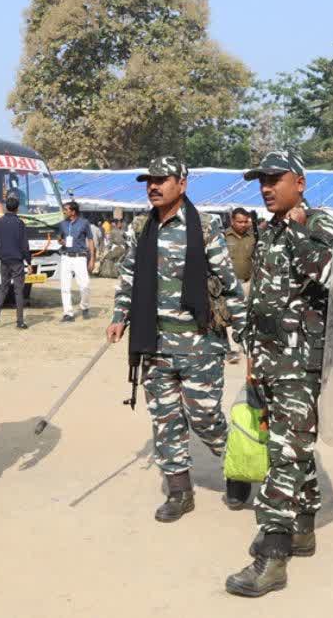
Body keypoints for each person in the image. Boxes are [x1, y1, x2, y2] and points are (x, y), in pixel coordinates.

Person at [106, 156, 248, 523]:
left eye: (161, 180)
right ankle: (179, 491)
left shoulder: (203, 227)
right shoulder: (142, 228)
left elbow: (229, 283)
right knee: (165, 418)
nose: (153, 186)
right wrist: (119, 316)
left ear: (181, 185)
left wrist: (245, 332)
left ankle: (236, 467)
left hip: (200, 343)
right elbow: (129, 277)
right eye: (149, 180)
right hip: (153, 343)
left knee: (204, 417)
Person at [225, 151, 333, 597]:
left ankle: (272, 556)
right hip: (270, 359)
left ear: (300, 183)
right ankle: (303, 528)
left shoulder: (317, 223)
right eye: (262, 181)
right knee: (291, 448)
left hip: (301, 361)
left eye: (275, 179)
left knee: (285, 454)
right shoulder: (266, 229)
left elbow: (331, 274)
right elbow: (261, 297)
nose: (266, 187)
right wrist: (252, 353)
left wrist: (295, 230)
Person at [0, 196, 32, 330]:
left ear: (5, 207)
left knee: (3, 289)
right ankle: (20, 321)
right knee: (19, 291)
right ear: (18, 208)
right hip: (17, 261)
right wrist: (29, 262)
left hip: (3, 261)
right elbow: (24, 245)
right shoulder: (20, 224)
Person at [57, 201, 97, 322]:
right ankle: (68, 314)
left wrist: (92, 259)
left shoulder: (84, 223)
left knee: (85, 285)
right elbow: (60, 238)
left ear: (73, 212)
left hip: (80, 257)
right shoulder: (62, 224)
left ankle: (84, 307)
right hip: (66, 257)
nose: (64, 211)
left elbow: (90, 240)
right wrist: (60, 241)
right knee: (65, 286)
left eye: (66, 209)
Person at [224, 207, 256, 286]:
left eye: (245, 222)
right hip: (229, 284)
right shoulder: (223, 237)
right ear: (232, 221)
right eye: (240, 222)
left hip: (248, 282)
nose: (243, 225)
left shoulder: (253, 237)